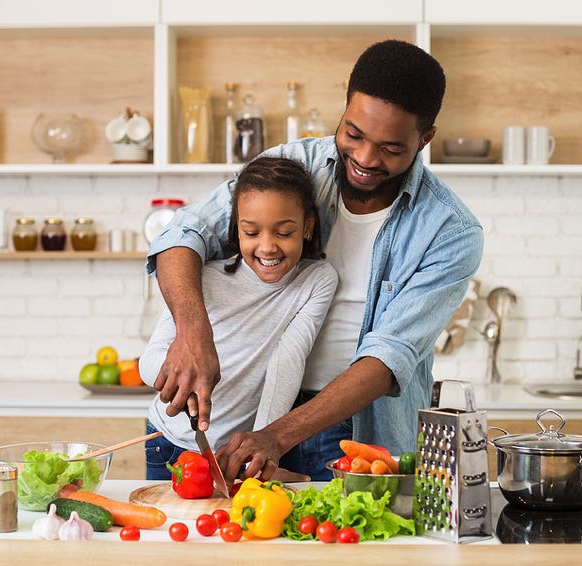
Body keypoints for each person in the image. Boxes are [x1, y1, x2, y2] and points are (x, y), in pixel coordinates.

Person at [147, 39, 484, 481]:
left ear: (425, 139)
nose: (365, 158)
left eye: (391, 148)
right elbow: (182, 234)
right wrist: (192, 332)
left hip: (352, 435)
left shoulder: (450, 230)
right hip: (250, 416)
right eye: (354, 134)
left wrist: (277, 435)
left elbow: (387, 359)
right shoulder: (291, 165)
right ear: (344, 107)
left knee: (341, 549)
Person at [139, 157, 338, 480]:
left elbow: (287, 362)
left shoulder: (317, 280)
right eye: (251, 232)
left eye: (284, 232)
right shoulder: (203, 276)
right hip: (168, 443)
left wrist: (261, 447)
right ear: (236, 227)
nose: (267, 246)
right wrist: (178, 381)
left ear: (308, 226)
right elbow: (149, 360)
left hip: (234, 452)